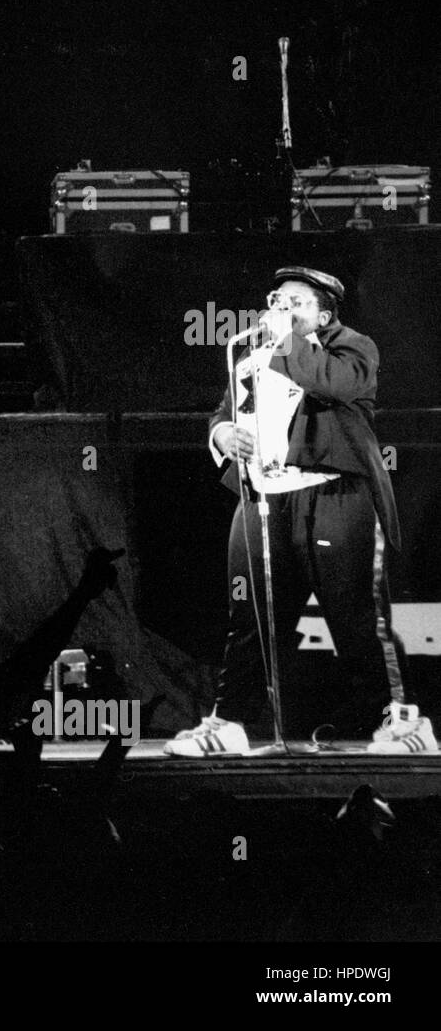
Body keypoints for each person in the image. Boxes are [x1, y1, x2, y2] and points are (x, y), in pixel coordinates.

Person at [166, 266, 430, 756]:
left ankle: (401, 722)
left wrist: (287, 338)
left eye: (296, 302)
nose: (281, 309)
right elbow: (226, 412)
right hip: (264, 497)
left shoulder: (350, 347)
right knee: (251, 618)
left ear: (323, 314)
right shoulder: (253, 355)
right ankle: (230, 722)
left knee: (355, 616)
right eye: (277, 300)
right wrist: (222, 435)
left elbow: (328, 384)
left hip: (333, 493)